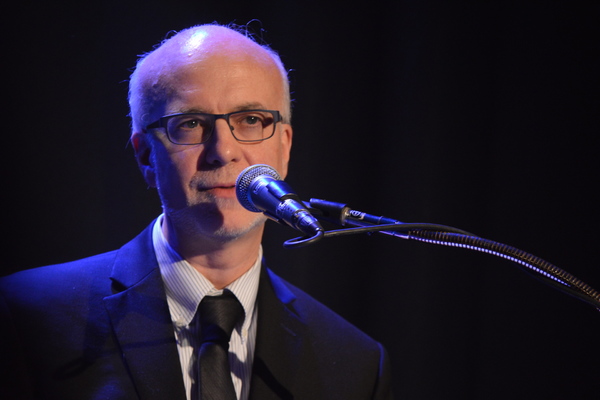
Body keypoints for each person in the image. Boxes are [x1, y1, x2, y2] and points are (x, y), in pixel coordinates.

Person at [0, 24, 392, 400]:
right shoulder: (27, 314)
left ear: (284, 147)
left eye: (251, 120)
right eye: (190, 124)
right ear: (145, 156)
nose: (223, 150)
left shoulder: (354, 362)